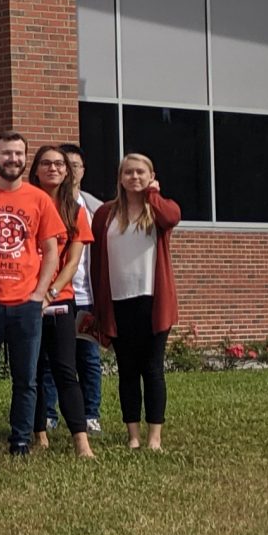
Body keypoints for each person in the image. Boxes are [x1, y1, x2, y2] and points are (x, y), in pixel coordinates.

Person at [0, 133, 66, 456]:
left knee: (26, 379)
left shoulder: (39, 199)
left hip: (26, 302)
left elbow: (51, 251)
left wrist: (41, 294)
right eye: (6, 154)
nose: (12, 159)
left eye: (18, 154)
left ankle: (21, 440)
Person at [89, 153, 180, 452]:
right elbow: (96, 262)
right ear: (120, 177)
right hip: (118, 302)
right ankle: (133, 436)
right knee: (127, 370)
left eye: (141, 172)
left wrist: (153, 193)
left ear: (151, 175)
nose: (134, 177)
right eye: (128, 172)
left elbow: (172, 218)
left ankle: (154, 437)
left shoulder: (158, 210)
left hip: (152, 302)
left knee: (152, 368)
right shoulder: (105, 214)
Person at [27, 145, 95, 459]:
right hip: (23, 300)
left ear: (67, 171)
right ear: (36, 169)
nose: (53, 168)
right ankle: (39, 432)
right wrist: (33, 295)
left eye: (59, 164)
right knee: (32, 369)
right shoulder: (26, 203)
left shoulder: (76, 210)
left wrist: (50, 292)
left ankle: (81, 440)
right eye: (46, 163)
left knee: (65, 369)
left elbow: (73, 262)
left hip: (60, 300)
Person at [61, 142, 105, 431]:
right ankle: (51, 416)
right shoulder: (47, 202)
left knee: (88, 358)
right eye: (66, 165)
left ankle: (91, 414)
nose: (71, 171)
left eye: (75, 166)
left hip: (86, 295)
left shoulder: (95, 208)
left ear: (82, 170)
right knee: (56, 359)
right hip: (57, 294)